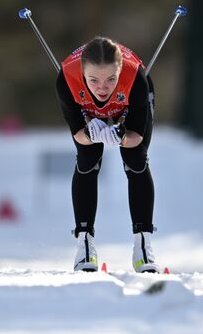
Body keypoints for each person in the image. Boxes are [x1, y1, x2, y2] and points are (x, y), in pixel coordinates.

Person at [56, 36, 159, 273]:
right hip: (86, 109)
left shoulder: (135, 77)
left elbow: (137, 138)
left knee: (136, 160)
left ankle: (143, 244)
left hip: (129, 104)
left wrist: (121, 136)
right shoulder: (67, 78)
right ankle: (84, 243)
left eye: (111, 79)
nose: (102, 88)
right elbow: (78, 135)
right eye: (93, 80)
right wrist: (92, 135)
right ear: (82, 72)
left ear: (120, 70)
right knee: (87, 160)